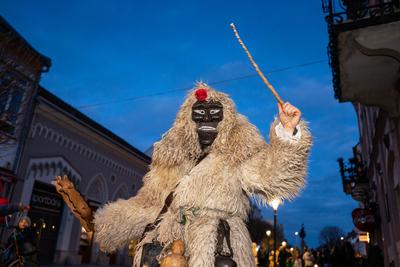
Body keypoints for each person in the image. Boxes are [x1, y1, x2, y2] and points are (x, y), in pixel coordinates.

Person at [57, 83, 312, 266]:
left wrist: (288, 134)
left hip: (218, 245)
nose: (207, 123)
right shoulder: (170, 158)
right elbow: (149, 206)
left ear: (226, 122)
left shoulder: (235, 157)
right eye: (200, 116)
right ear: (188, 121)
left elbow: (273, 176)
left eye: (214, 116)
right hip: (169, 247)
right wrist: (102, 223)